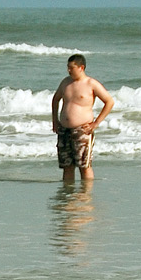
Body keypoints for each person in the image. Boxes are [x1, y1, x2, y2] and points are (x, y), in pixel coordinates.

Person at [51, 54, 114, 183]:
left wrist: (96, 123)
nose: (68, 70)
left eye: (71, 68)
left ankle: (85, 196)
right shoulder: (65, 82)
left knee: (84, 166)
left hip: (82, 130)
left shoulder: (91, 83)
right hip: (64, 130)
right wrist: (55, 121)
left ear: (81, 67)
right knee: (67, 166)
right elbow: (55, 99)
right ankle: (68, 194)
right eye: (67, 67)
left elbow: (109, 102)